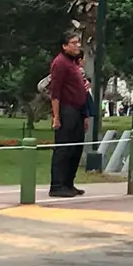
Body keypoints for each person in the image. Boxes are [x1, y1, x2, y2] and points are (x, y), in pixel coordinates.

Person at [49, 32, 89, 197]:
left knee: (76, 148)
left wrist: (85, 115)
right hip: (67, 109)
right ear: (64, 46)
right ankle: (57, 185)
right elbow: (55, 92)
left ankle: (68, 183)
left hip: (78, 109)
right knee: (64, 148)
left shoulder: (73, 63)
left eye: (78, 42)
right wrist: (56, 116)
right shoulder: (60, 63)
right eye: (73, 43)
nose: (77, 45)